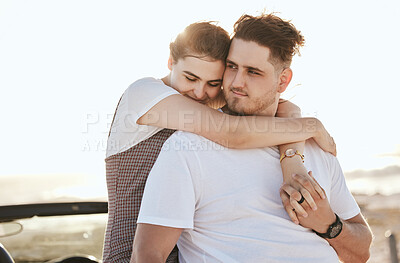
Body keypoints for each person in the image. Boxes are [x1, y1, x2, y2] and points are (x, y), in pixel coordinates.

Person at [133, 13, 373, 263]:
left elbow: (361, 252)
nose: (236, 82)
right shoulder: (188, 148)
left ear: (283, 80)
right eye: (232, 66)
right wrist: (309, 125)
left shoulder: (315, 148)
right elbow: (148, 254)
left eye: (253, 72)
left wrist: (329, 225)